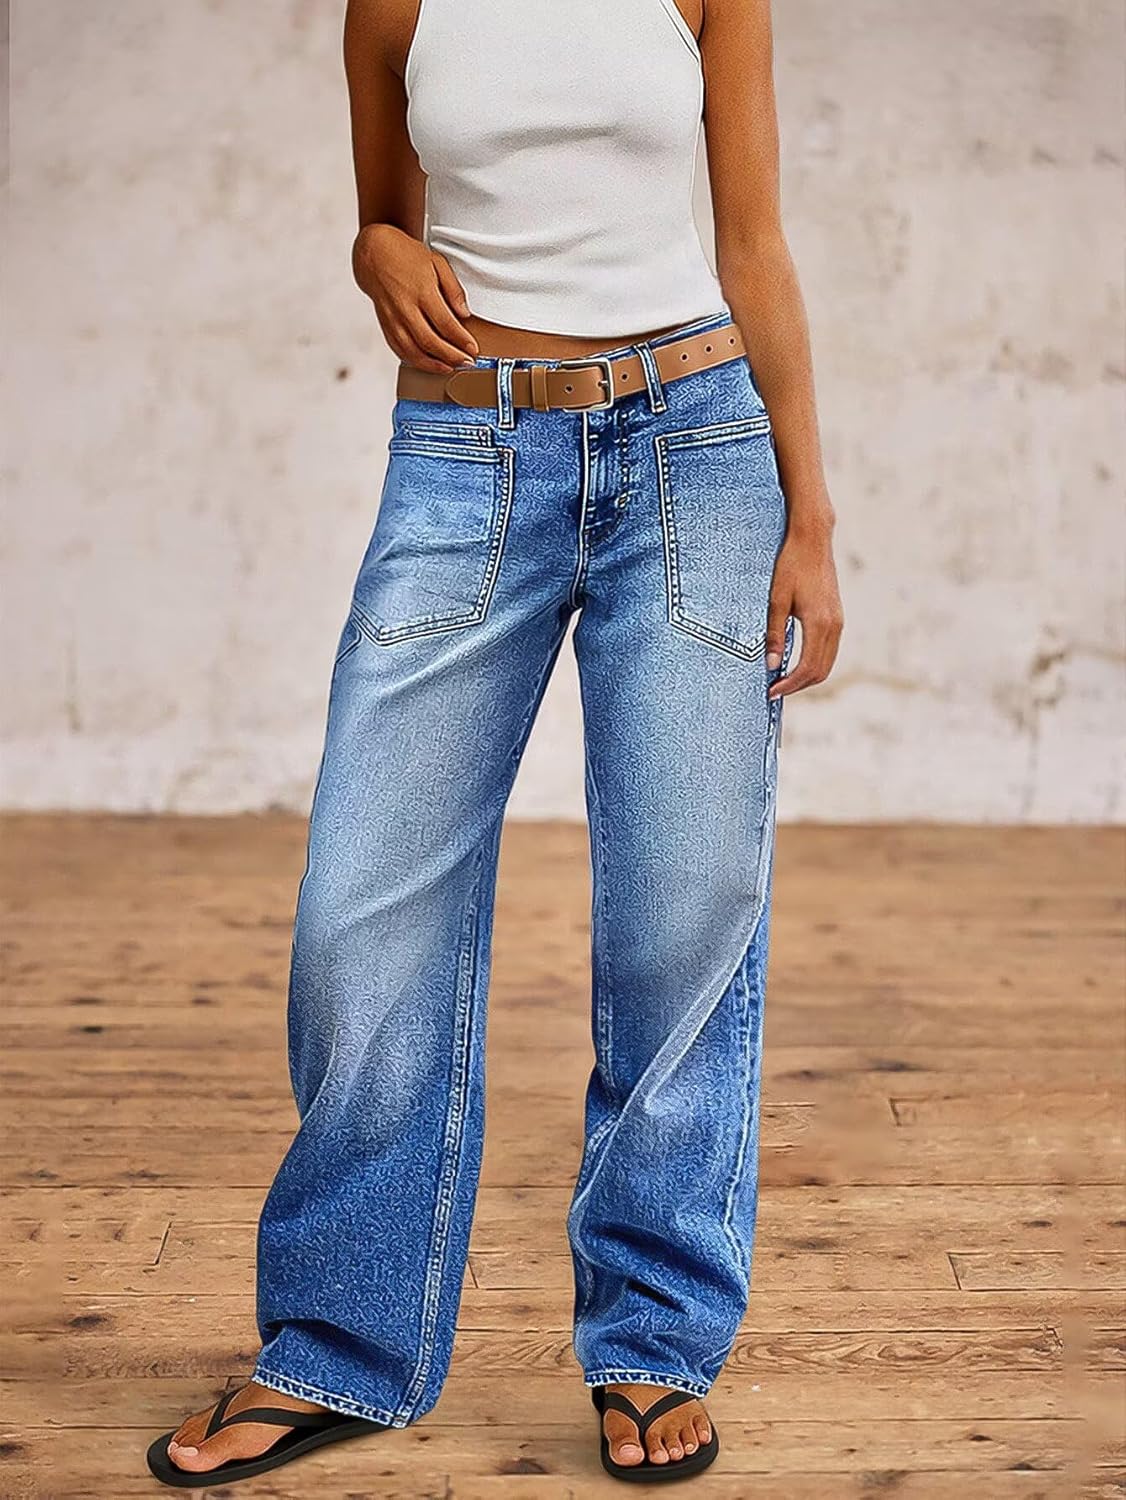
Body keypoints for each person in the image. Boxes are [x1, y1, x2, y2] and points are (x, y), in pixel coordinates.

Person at [147, 0, 843, 1486]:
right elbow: (384, 224)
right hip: (466, 456)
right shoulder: (394, 3)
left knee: (684, 914)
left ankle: (653, 1337)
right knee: (363, 913)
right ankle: (339, 1342)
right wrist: (374, 253)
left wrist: (813, 520)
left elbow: (753, 243)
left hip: (696, 452)